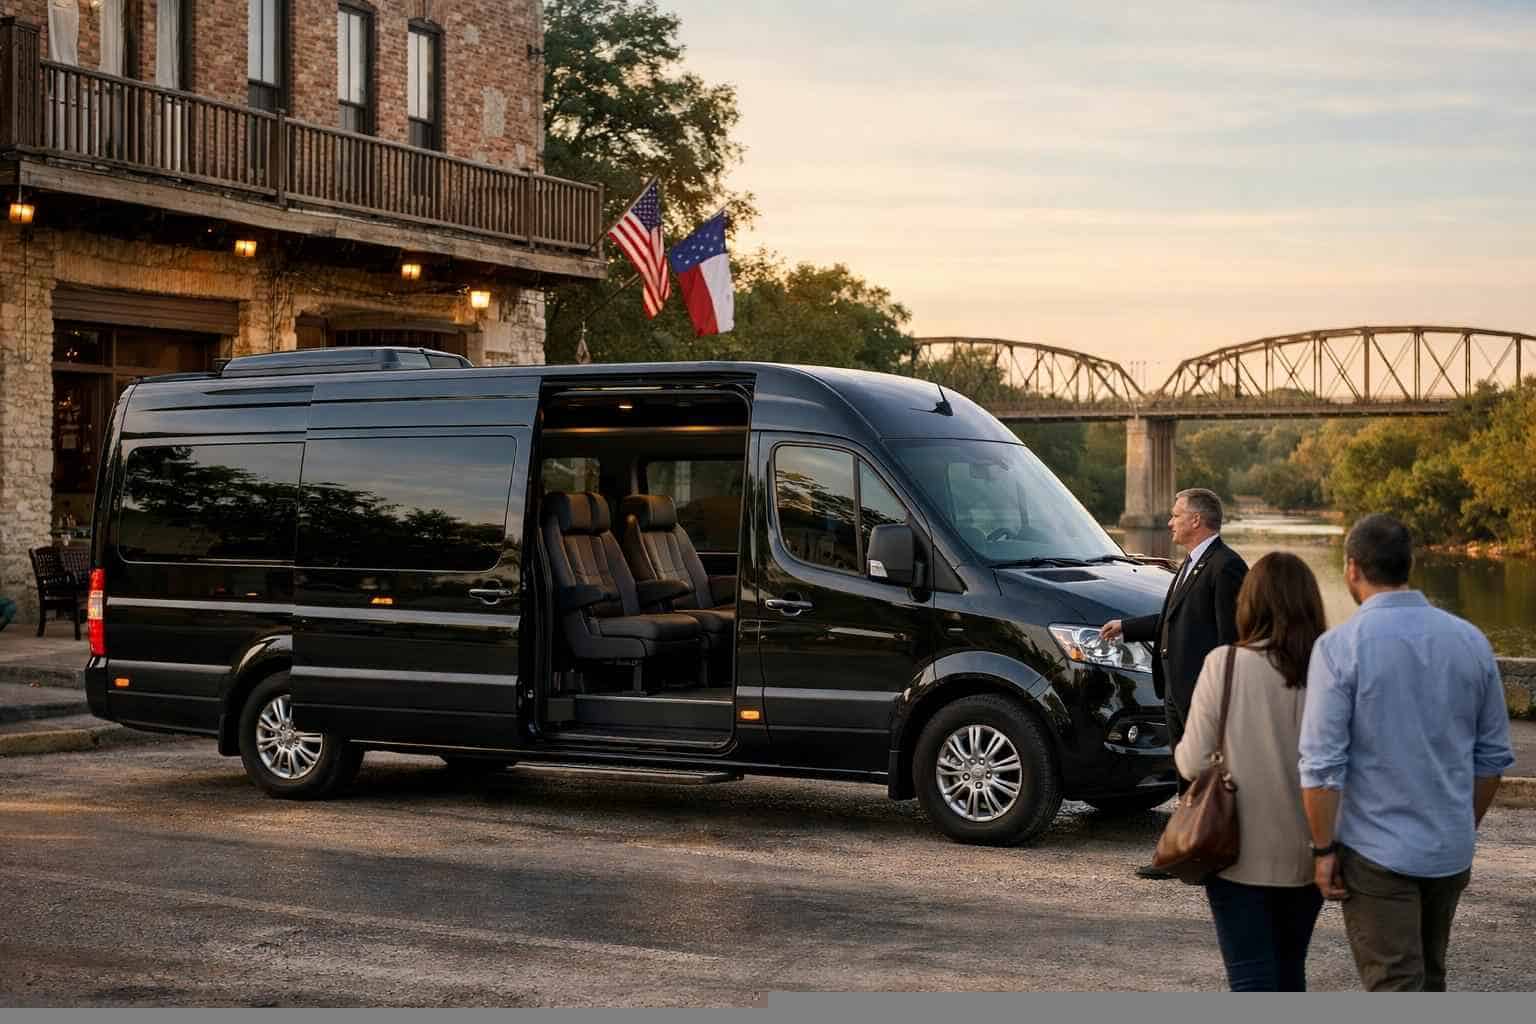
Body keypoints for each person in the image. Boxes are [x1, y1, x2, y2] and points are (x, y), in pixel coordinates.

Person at [1299, 514, 1515, 992]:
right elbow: (1493, 759)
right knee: (1430, 979)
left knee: (1395, 987)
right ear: (1409, 564)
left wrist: (1323, 850)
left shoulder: (1340, 648)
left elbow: (1321, 769)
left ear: (1352, 568)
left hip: (1376, 852)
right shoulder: (1471, 641)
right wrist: (1462, 822)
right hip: (1449, 849)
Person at [1175, 553, 1327, 991]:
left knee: (1250, 976)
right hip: (1309, 847)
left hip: (1234, 848)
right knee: (1289, 968)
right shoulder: (1328, 667)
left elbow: (1191, 762)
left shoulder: (1223, 663)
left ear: (1249, 603)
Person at [1100, 487, 1248, 879]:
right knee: (1186, 775)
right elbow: (1173, 618)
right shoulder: (1190, 564)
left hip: (1204, 694)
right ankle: (1186, 856)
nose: (1170, 522)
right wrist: (1126, 628)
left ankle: (1213, 859)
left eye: (1176, 515)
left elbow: (1231, 638)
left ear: (1197, 521)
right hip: (1177, 691)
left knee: (1208, 778)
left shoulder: (1226, 566)